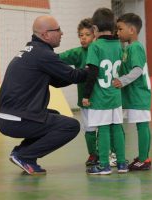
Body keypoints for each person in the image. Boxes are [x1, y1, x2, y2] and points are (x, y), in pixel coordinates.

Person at [0, 15, 88, 175]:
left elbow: (59, 81)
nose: (62, 33)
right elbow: (73, 76)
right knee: (71, 126)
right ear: (45, 34)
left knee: (54, 115)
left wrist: (79, 73)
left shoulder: (32, 51)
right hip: (17, 120)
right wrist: (92, 69)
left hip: (7, 117)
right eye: (58, 30)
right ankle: (25, 156)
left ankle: (21, 153)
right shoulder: (43, 55)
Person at [82, 8, 128, 175]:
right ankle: (122, 163)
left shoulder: (95, 47)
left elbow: (92, 72)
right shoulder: (118, 45)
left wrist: (86, 95)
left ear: (94, 29)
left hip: (100, 97)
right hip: (115, 95)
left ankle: (104, 165)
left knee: (102, 129)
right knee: (117, 127)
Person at [113, 13, 152, 171]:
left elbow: (137, 70)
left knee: (142, 126)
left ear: (131, 30)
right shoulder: (129, 47)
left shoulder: (135, 47)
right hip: (134, 95)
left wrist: (121, 81)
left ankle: (144, 159)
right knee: (141, 125)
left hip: (139, 94)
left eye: (120, 29)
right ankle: (143, 156)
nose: (117, 32)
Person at [59, 18, 98, 166]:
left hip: (103, 99)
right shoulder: (76, 53)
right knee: (89, 128)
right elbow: (57, 58)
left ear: (94, 35)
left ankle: (109, 153)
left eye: (87, 34)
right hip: (85, 99)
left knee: (105, 127)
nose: (83, 38)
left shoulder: (100, 50)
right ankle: (93, 155)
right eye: (81, 35)